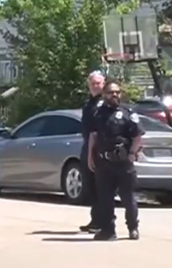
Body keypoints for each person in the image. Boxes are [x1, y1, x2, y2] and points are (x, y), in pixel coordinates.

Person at [88, 80, 144, 241]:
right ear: (104, 94)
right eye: (111, 92)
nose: (114, 95)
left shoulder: (127, 113)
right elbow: (93, 135)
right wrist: (90, 155)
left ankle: (133, 228)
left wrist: (132, 153)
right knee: (105, 199)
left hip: (123, 163)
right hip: (104, 163)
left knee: (127, 198)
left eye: (117, 92)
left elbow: (138, 136)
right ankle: (108, 230)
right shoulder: (98, 113)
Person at [79, 71, 105, 233]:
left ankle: (102, 221)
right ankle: (95, 219)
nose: (95, 86)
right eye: (93, 83)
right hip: (87, 145)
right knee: (90, 186)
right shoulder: (89, 103)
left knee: (100, 186)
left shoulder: (105, 103)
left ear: (103, 84)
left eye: (98, 83)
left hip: (99, 148)